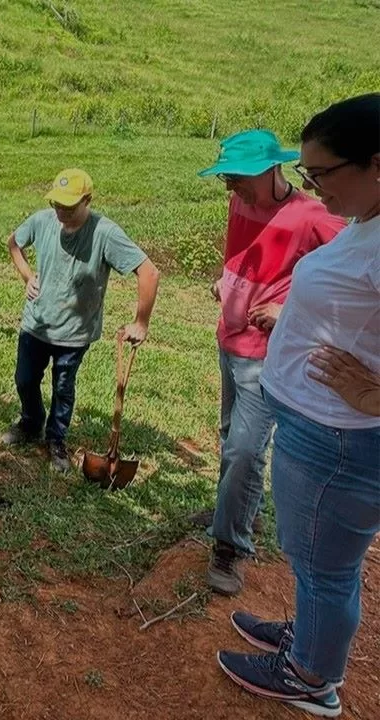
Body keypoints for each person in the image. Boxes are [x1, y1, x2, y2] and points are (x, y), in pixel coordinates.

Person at [217, 93, 380, 719]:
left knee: (327, 567)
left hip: (343, 435)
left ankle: (310, 676)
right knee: (314, 557)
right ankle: (306, 638)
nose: (314, 186)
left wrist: (371, 394)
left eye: (322, 173)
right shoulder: (366, 221)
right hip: (318, 421)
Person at [195, 130, 345, 597]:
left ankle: (230, 545)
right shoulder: (241, 201)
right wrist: (226, 279)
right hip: (229, 337)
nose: (229, 186)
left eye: (236, 177)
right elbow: (238, 249)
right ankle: (236, 509)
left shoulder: (312, 216)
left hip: (266, 352)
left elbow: (346, 271)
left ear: (269, 170)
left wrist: (290, 310)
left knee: (244, 449)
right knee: (229, 436)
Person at [3, 169, 160, 472]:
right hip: (37, 323)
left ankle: (56, 440)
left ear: (87, 200)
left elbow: (149, 272)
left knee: (63, 386)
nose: (60, 212)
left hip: (75, 332)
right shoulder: (42, 221)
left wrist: (141, 322)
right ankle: (30, 422)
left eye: (69, 206)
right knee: (24, 380)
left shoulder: (105, 233)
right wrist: (27, 275)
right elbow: (14, 242)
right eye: (56, 205)